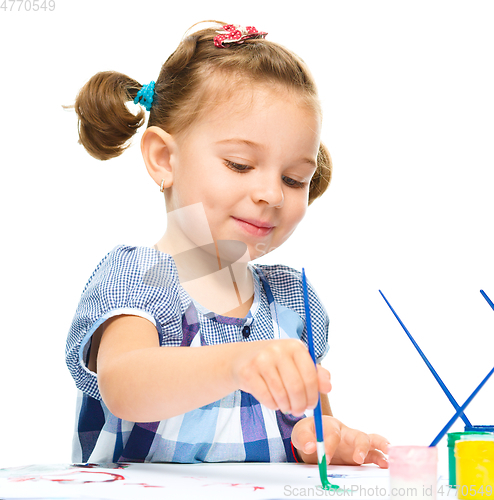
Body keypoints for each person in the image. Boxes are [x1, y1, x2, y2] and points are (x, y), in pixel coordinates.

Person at [65, 21, 389, 467]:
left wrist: (327, 438)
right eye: (239, 165)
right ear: (164, 159)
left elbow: (310, 427)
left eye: (294, 179)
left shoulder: (292, 303)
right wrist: (236, 364)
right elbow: (124, 386)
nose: (272, 194)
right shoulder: (142, 277)